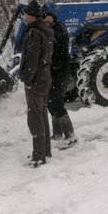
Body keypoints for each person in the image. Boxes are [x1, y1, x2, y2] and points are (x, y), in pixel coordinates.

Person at [19, 0, 54, 167]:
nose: (24, 16)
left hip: (36, 79)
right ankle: (45, 150)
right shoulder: (46, 30)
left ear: (31, 16)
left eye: (26, 14)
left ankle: (39, 155)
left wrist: (27, 80)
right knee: (42, 115)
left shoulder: (34, 33)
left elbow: (31, 59)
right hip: (45, 76)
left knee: (35, 118)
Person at [42, 10, 76, 146]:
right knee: (50, 102)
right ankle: (57, 133)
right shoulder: (50, 31)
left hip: (60, 72)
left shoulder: (59, 30)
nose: (46, 21)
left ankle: (70, 133)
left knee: (56, 102)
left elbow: (55, 43)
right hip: (52, 72)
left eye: (48, 19)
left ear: (53, 20)